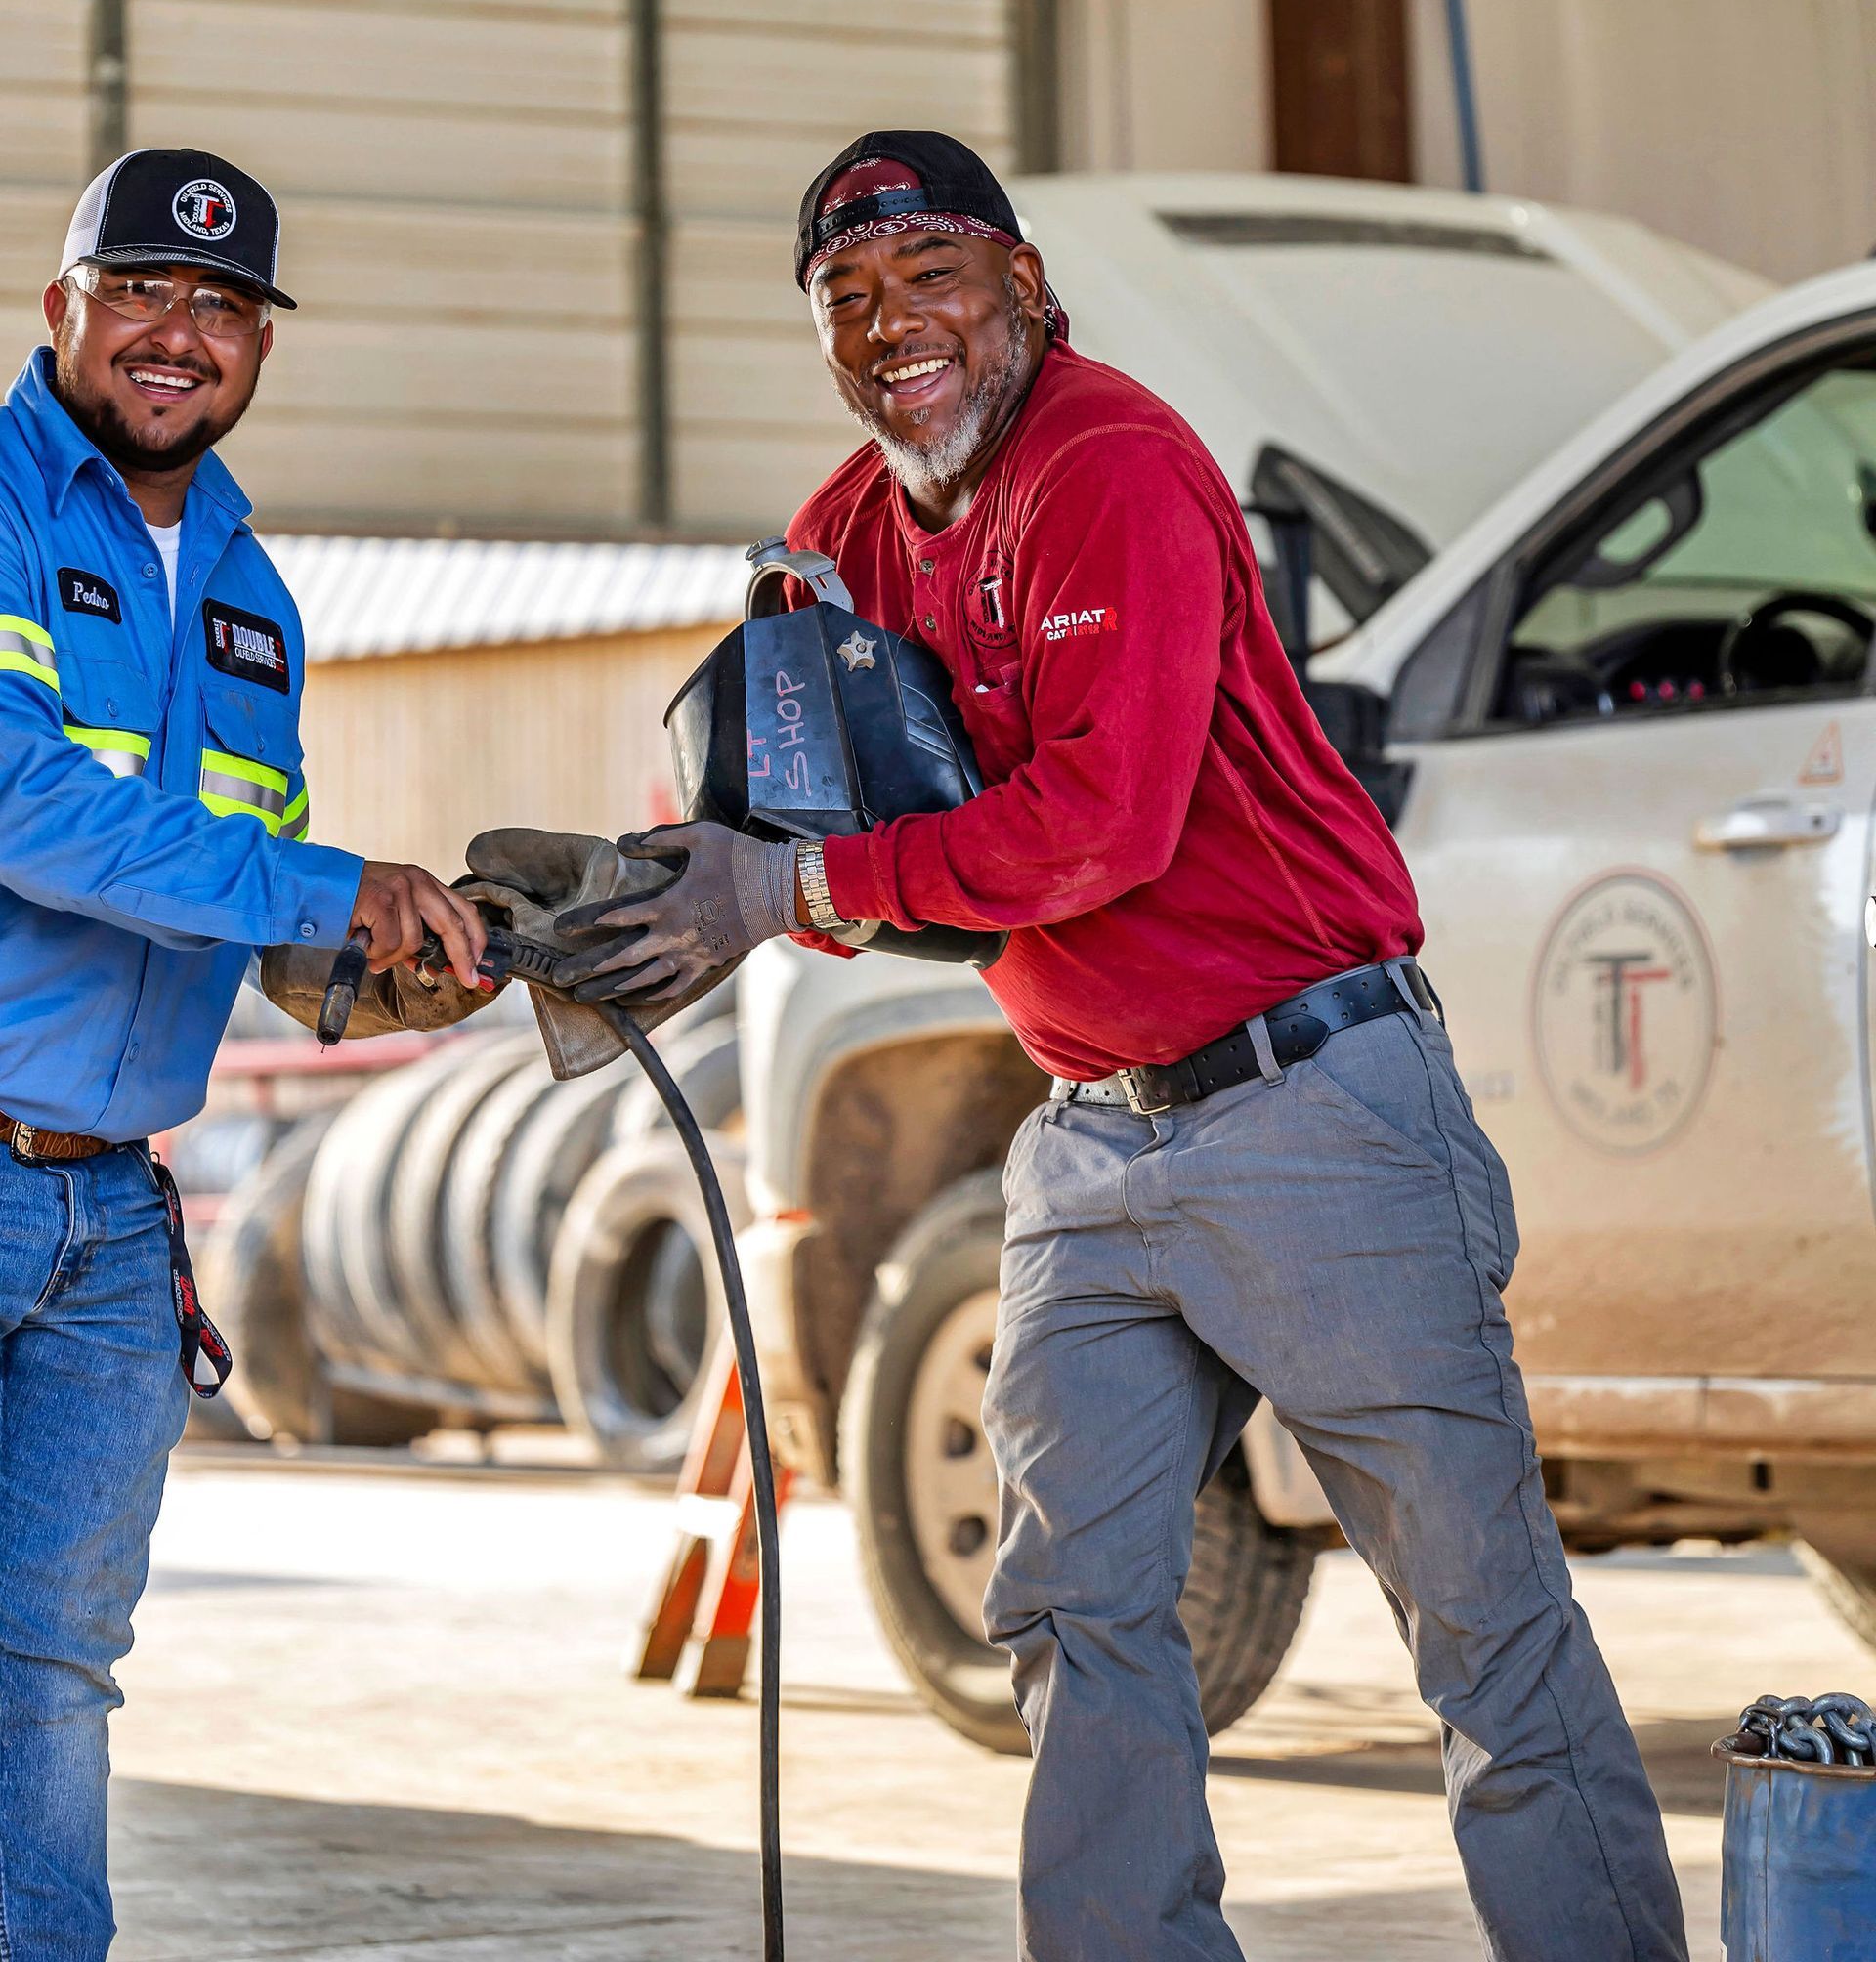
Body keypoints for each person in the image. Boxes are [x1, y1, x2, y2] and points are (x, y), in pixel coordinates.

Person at [553, 129, 1688, 1962]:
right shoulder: (843, 533)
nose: (888, 324)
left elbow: (1101, 826)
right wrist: (657, 886)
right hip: (1089, 1131)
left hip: (1315, 1099)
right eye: (846, 296)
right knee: (1072, 1607)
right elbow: (804, 810)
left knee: (1479, 1622)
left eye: (931, 276)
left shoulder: (1115, 466)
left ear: (1023, 289)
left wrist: (796, 895)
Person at [0, 147, 486, 1962]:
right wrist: (321, 881)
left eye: (222, 305)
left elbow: (235, 901)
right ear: (62, 313)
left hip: (112, 1220)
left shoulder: (255, 603)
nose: (177, 332)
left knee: (51, 1671)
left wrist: (387, 959)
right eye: (138, 291)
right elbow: (27, 805)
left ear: (262, 345)